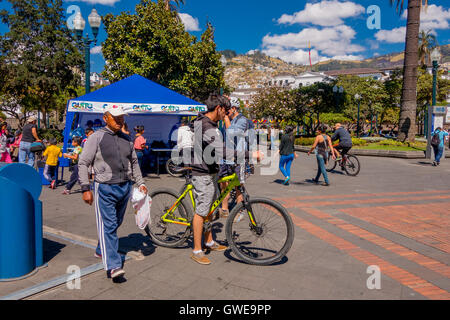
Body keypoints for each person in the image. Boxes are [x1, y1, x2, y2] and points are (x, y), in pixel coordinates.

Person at [189, 93, 262, 265]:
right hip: (202, 174)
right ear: (219, 108)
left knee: (208, 209)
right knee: (201, 212)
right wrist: (249, 154)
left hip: (211, 170)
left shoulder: (211, 124)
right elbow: (223, 151)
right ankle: (197, 250)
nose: (227, 114)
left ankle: (209, 241)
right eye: (226, 111)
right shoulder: (207, 127)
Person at [78, 105, 148, 280]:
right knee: (108, 226)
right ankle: (113, 266)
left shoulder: (127, 139)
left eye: (121, 117)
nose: (119, 120)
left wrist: (140, 183)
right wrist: (85, 188)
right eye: (115, 117)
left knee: (116, 223)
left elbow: (134, 162)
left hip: (125, 187)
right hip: (105, 188)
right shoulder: (96, 137)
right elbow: (83, 162)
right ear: (105, 118)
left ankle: (101, 250)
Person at [218, 97, 250, 218]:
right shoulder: (226, 121)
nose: (226, 112)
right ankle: (224, 209)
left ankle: (239, 210)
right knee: (224, 183)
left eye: (227, 110)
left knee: (238, 185)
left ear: (234, 109)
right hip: (227, 157)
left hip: (238, 158)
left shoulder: (242, 120)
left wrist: (225, 117)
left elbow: (232, 133)